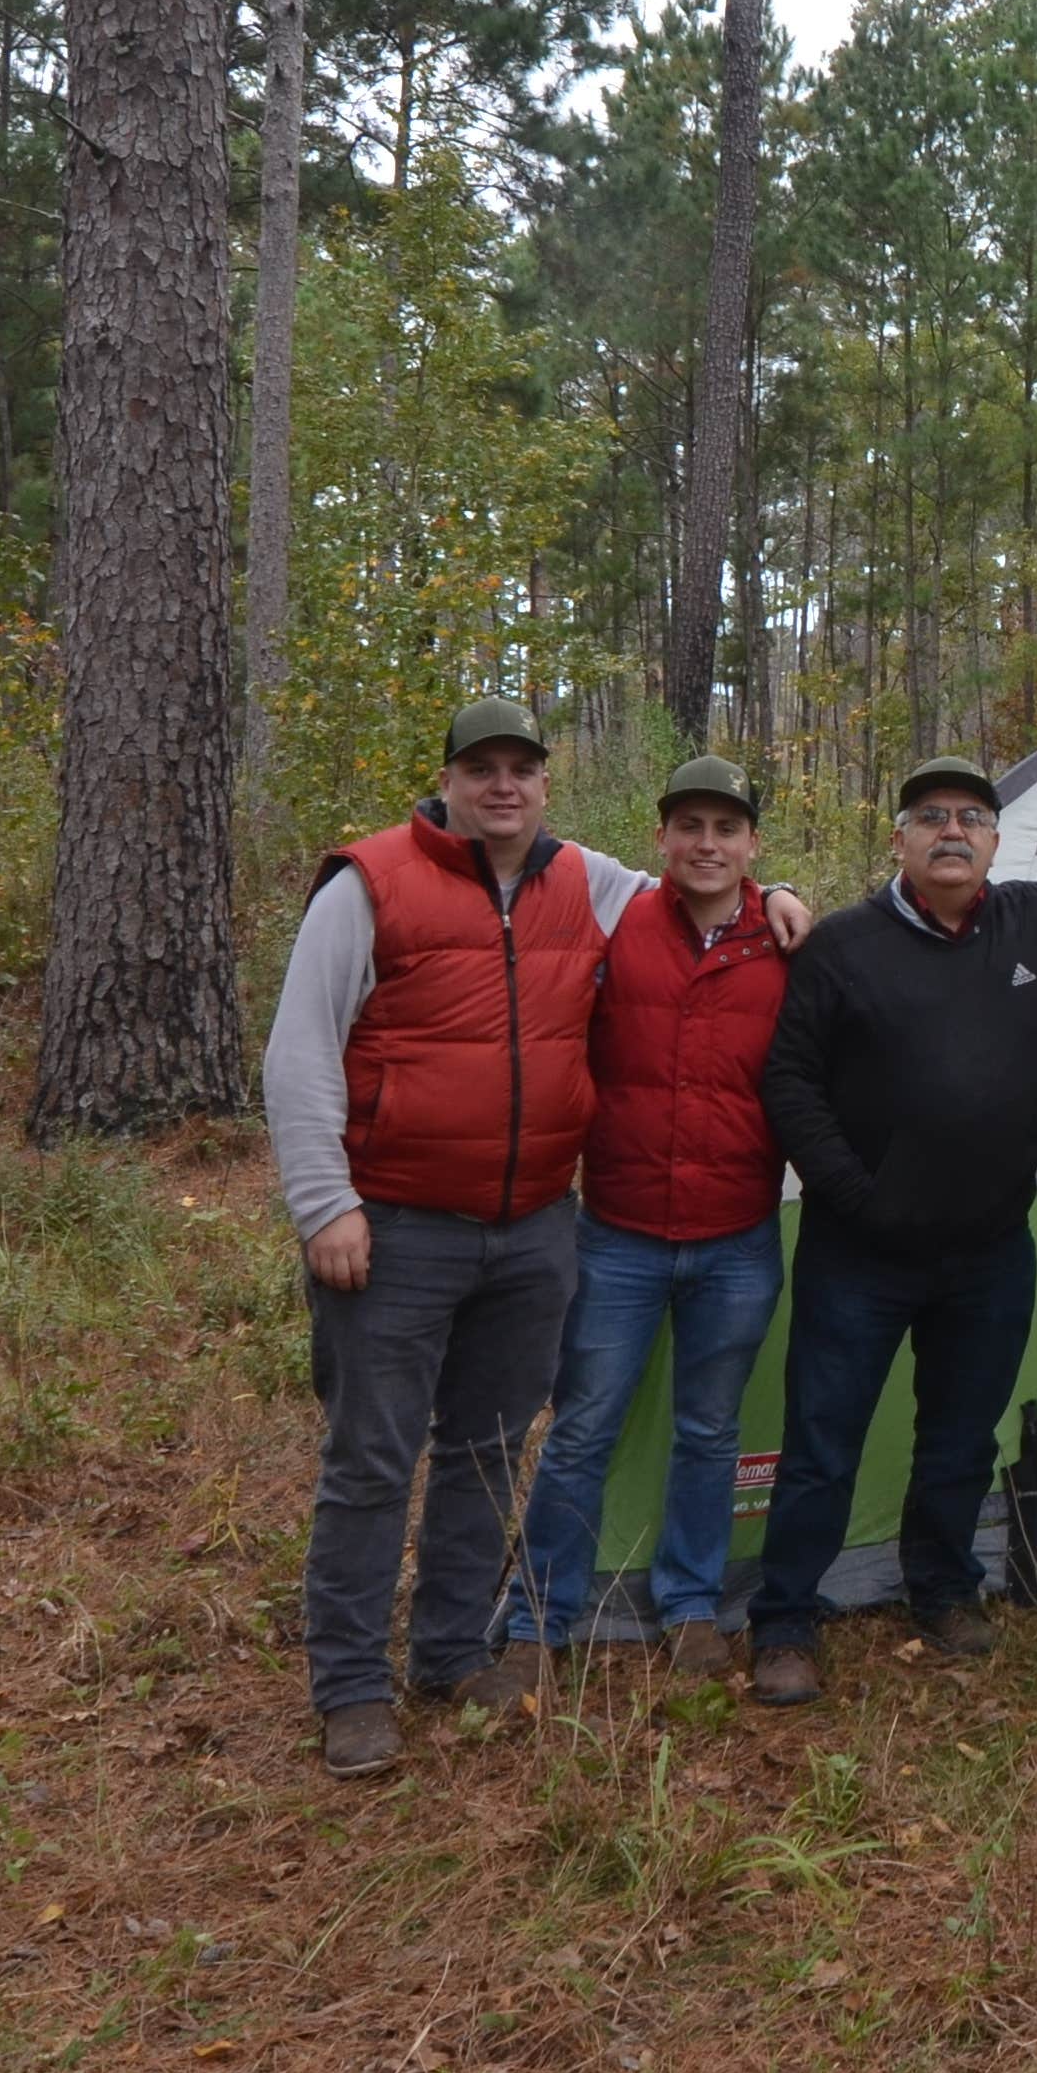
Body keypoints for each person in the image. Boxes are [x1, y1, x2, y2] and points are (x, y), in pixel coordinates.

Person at [260, 702, 803, 1778]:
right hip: (398, 1225)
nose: (501, 786)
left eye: (520, 769)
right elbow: (300, 1049)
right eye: (480, 769)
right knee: (372, 1457)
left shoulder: (581, 881)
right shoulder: (368, 882)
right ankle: (353, 1687)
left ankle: (455, 1650)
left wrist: (779, 898)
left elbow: (697, 898)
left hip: (531, 1229)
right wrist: (326, 1203)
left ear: (546, 786)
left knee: (483, 1451)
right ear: (448, 781)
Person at [744, 754, 1037, 1707]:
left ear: (995, 842)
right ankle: (785, 1620)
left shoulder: (1030, 919)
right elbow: (789, 1082)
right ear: (898, 838)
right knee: (823, 1440)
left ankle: (941, 1589)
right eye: (930, 815)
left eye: (972, 817)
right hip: (860, 1254)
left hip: (988, 1251)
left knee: (961, 1436)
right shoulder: (841, 945)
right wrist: (851, 1190)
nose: (952, 831)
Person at [496, 756, 788, 1687]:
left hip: (739, 1235)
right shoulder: (612, 921)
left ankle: (693, 1606)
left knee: (709, 1429)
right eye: (690, 828)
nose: (708, 845)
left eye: (727, 830)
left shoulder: (784, 945)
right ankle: (542, 1616)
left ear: (751, 845)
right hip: (618, 1231)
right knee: (584, 1427)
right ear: (661, 837)